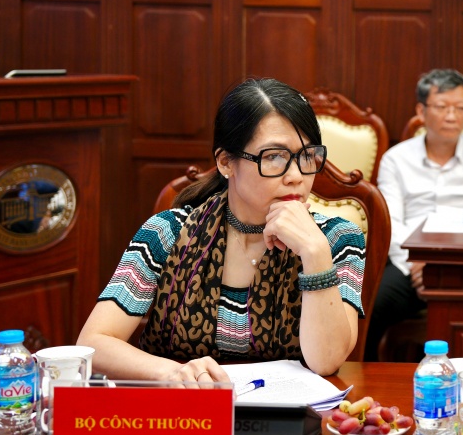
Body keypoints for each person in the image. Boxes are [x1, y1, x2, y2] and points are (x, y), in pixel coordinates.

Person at [79, 78, 366, 382]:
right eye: (274, 157)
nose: (296, 176)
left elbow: (326, 362)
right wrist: (175, 372)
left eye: (306, 156)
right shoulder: (167, 232)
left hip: (291, 410)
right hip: (187, 404)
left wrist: (315, 252)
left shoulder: (338, 239)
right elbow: (94, 344)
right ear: (226, 162)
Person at [366, 69, 463, 360]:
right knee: (370, 307)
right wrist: (418, 262)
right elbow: (390, 221)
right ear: (421, 111)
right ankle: (361, 376)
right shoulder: (397, 159)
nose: (452, 116)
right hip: (411, 264)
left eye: (460, 108)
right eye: (442, 107)